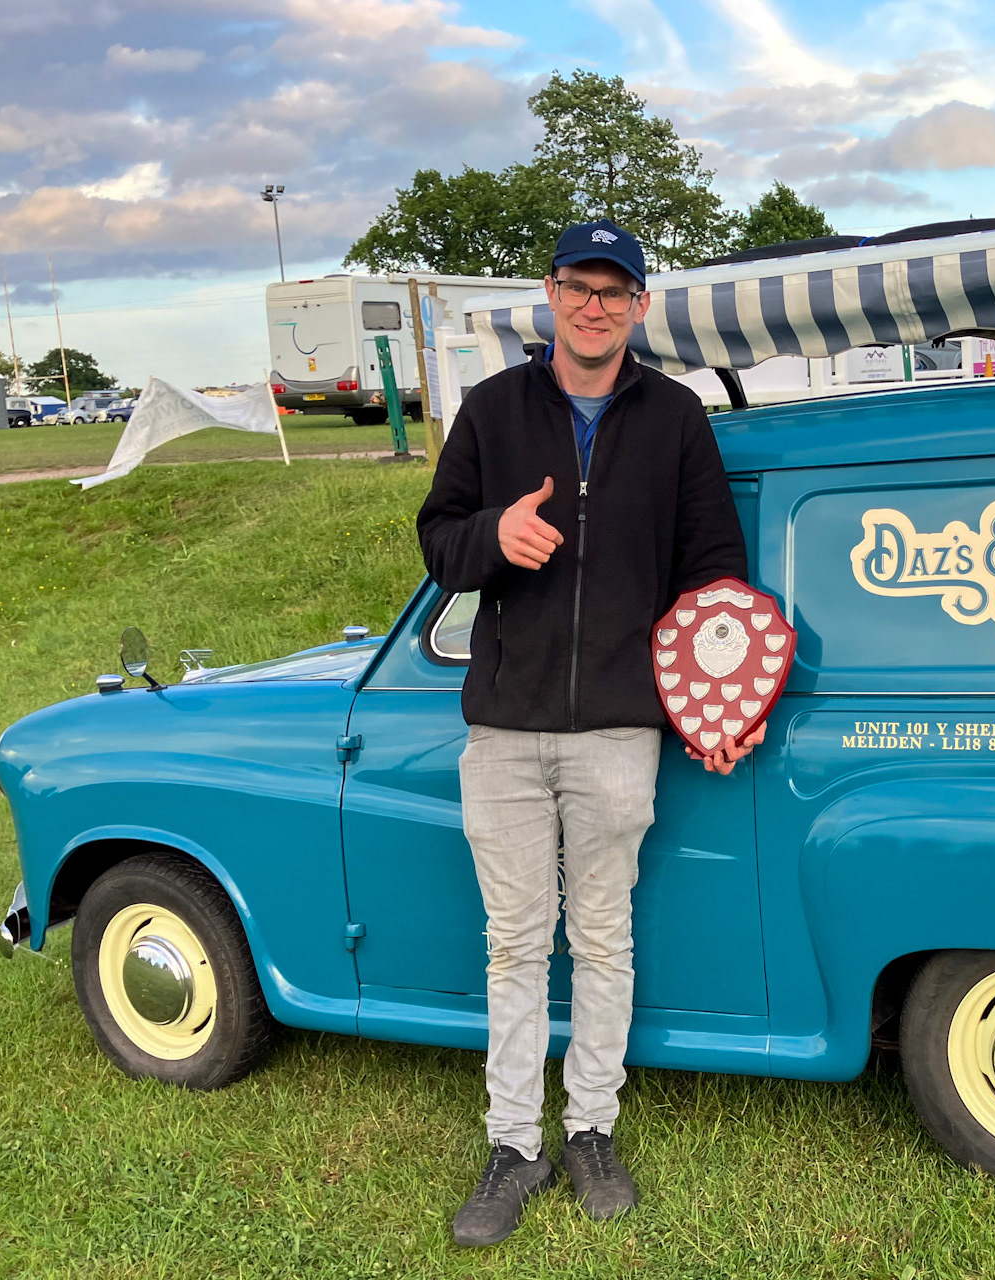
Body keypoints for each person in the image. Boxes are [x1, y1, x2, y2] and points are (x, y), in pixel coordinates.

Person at [417, 219, 765, 1248]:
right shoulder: (492, 409)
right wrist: (494, 534)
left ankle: (591, 1129)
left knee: (604, 935)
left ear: (639, 305)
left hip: (619, 726)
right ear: (552, 292)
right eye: (580, 286)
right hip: (504, 726)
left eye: (616, 290)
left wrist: (722, 705)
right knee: (515, 943)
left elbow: (714, 576)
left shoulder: (675, 417)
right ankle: (512, 1144)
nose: (596, 306)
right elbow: (439, 541)